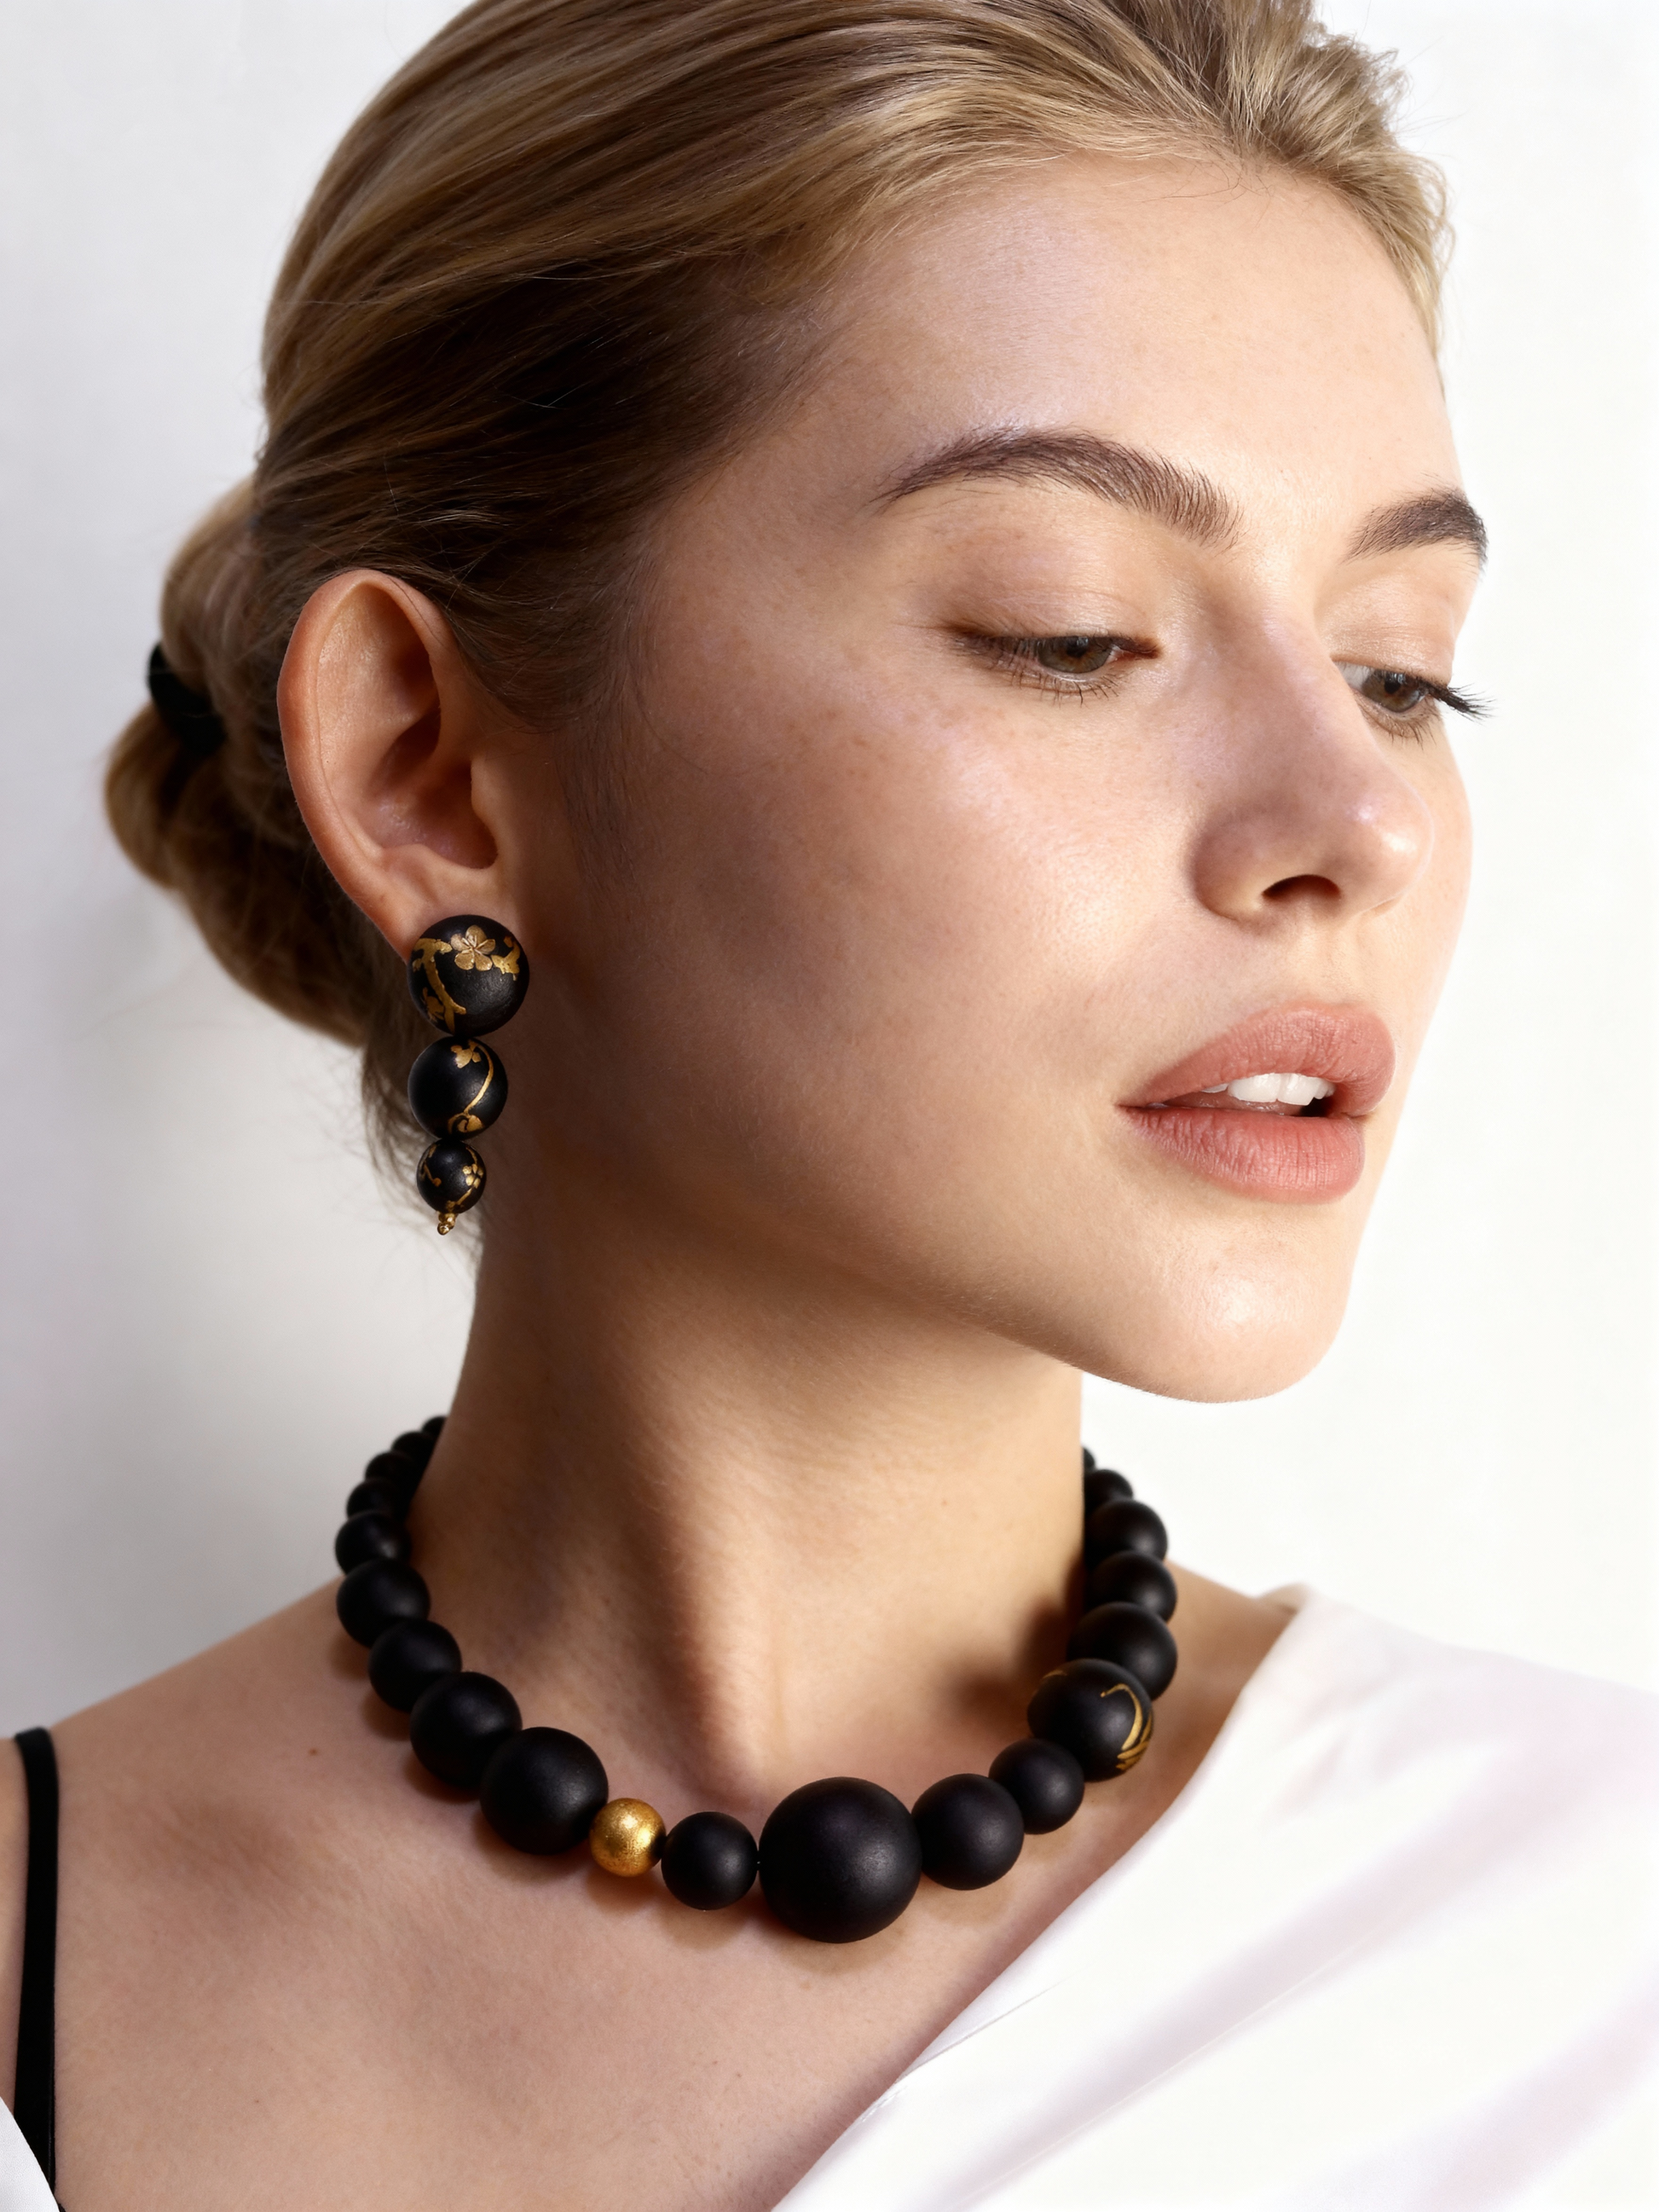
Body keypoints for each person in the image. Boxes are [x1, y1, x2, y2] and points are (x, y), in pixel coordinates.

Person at [3, 0, 1654, 2203]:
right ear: (428, 765)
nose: (1352, 817)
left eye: (1399, 668)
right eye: (1071, 634)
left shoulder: (1596, 1957)